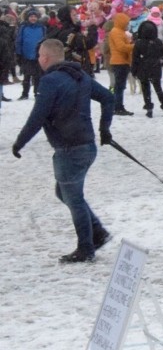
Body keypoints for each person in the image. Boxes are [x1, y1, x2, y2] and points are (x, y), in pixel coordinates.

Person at [11, 38, 114, 263]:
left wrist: (19, 143)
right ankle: (97, 232)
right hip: (86, 146)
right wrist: (104, 129)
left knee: (73, 198)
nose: (38, 59)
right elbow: (108, 98)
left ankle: (86, 248)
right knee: (64, 193)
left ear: (45, 58)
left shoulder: (50, 82)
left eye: (39, 55)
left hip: (70, 149)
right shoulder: (80, 76)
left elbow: (37, 117)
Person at [131, 20, 163, 118]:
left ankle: (149, 108)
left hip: (143, 67)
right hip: (155, 67)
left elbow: (135, 58)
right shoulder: (157, 42)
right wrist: (157, 58)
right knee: (158, 88)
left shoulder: (139, 43)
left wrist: (134, 70)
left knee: (145, 89)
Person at [108, 12, 135, 115]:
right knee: (119, 86)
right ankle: (118, 107)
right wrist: (133, 46)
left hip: (122, 61)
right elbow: (121, 47)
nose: (128, 25)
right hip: (119, 62)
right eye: (126, 23)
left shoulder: (120, 31)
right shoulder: (116, 32)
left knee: (119, 86)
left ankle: (118, 106)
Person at [15, 9, 45, 100]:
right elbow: (19, 41)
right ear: (28, 18)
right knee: (26, 76)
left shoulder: (42, 28)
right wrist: (18, 53)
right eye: (31, 17)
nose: (33, 18)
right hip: (26, 55)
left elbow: (45, 40)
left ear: (37, 18)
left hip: (38, 55)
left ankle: (37, 93)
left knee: (38, 76)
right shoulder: (23, 27)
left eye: (35, 17)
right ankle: (25, 94)